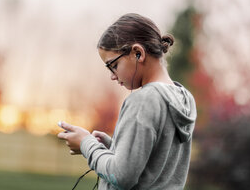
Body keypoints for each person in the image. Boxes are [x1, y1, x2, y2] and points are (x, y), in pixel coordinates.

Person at [57, 13, 197, 190]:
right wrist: (114, 146)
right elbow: (153, 164)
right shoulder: (184, 99)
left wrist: (86, 144)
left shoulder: (144, 100)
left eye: (113, 65)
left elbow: (122, 176)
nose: (112, 76)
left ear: (138, 53)